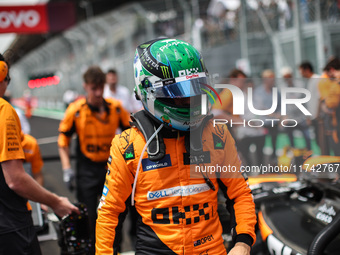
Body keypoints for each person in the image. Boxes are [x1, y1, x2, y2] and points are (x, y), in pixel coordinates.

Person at [96, 38, 256, 255]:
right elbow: (110, 213)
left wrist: (242, 243)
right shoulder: (128, 145)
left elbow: (240, 193)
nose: (190, 100)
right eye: (179, 94)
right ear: (149, 91)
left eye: (196, 89)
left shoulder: (216, 133)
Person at [0, 54, 79, 254]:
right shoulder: (4, 110)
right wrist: (55, 202)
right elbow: (15, 180)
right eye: (7, 78)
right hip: (10, 226)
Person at [58, 65, 130, 254]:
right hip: (86, 170)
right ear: (86, 87)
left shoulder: (115, 108)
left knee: (115, 216)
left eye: (101, 87)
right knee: (89, 218)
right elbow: (62, 141)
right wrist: (67, 169)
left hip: (112, 169)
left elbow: (132, 134)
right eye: (93, 88)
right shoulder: (76, 110)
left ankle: (115, 250)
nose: (98, 92)